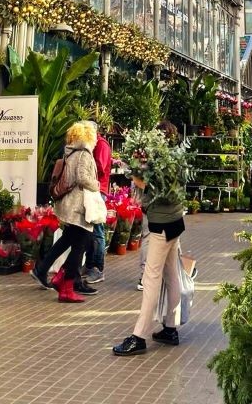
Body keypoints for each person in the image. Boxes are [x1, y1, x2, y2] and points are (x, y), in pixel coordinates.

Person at [114, 121, 185, 357]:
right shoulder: (177, 158)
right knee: (171, 275)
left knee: (151, 278)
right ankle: (170, 329)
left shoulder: (160, 162)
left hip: (161, 225)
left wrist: (135, 168)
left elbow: (145, 184)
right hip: (175, 221)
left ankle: (139, 336)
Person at [32, 121, 100, 303]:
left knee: (71, 240)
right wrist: (97, 185)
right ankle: (66, 285)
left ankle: (54, 275)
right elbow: (83, 178)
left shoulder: (71, 152)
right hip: (79, 206)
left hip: (70, 205)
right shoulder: (84, 154)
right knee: (81, 245)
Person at [137, 120, 178, 291]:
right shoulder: (175, 156)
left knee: (149, 238)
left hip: (153, 205)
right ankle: (165, 275)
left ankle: (146, 276)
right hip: (170, 206)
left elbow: (142, 181)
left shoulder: (150, 156)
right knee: (170, 240)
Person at [83, 120, 112, 284]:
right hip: (92, 189)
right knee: (89, 230)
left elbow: (100, 167)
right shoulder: (93, 144)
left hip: (98, 190)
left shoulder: (101, 144)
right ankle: (89, 265)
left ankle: (97, 268)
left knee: (97, 231)